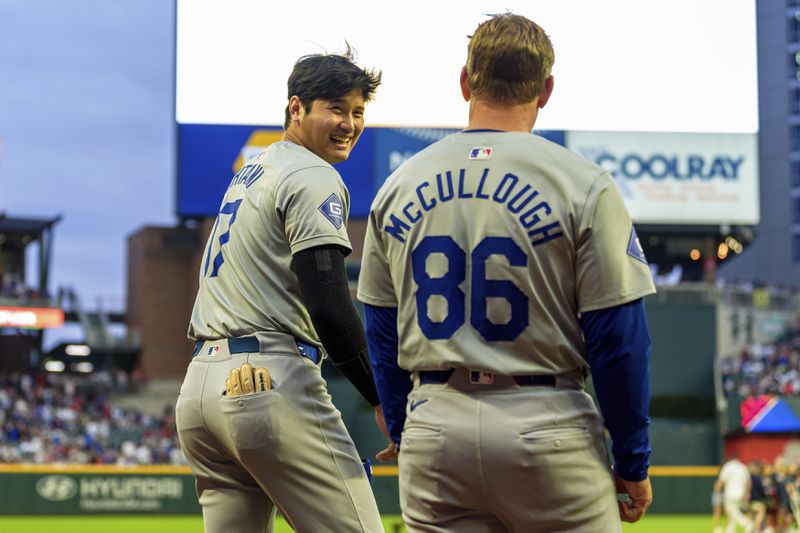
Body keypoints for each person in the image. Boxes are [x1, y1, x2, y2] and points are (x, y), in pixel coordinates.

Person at [357, 12, 655, 532]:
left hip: (436, 422)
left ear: (466, 81)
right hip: (545, 420)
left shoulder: (398, 184)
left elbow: (380, 328)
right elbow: (619, 340)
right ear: (546, 90)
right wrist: (632, 460)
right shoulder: (584, 183)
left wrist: (408, 430)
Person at [175, 48, 390, 533]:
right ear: (297, 108)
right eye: (336, 108)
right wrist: (382, 397)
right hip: (265, 379)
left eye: (358, 112)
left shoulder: (254, 170)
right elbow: (329, 302)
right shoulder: (312, 173)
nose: (349, 123)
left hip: (199, 392)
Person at [714, 454, 753, 533]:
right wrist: (747, 493)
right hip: (741, 493)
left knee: (731, 511)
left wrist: (717, 490)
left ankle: (747, 523)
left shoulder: (727, 466)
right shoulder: (743, 467)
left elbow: (721, 481)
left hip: (729, 493)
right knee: (732, 512)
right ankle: (730, 530)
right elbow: (748, 482)